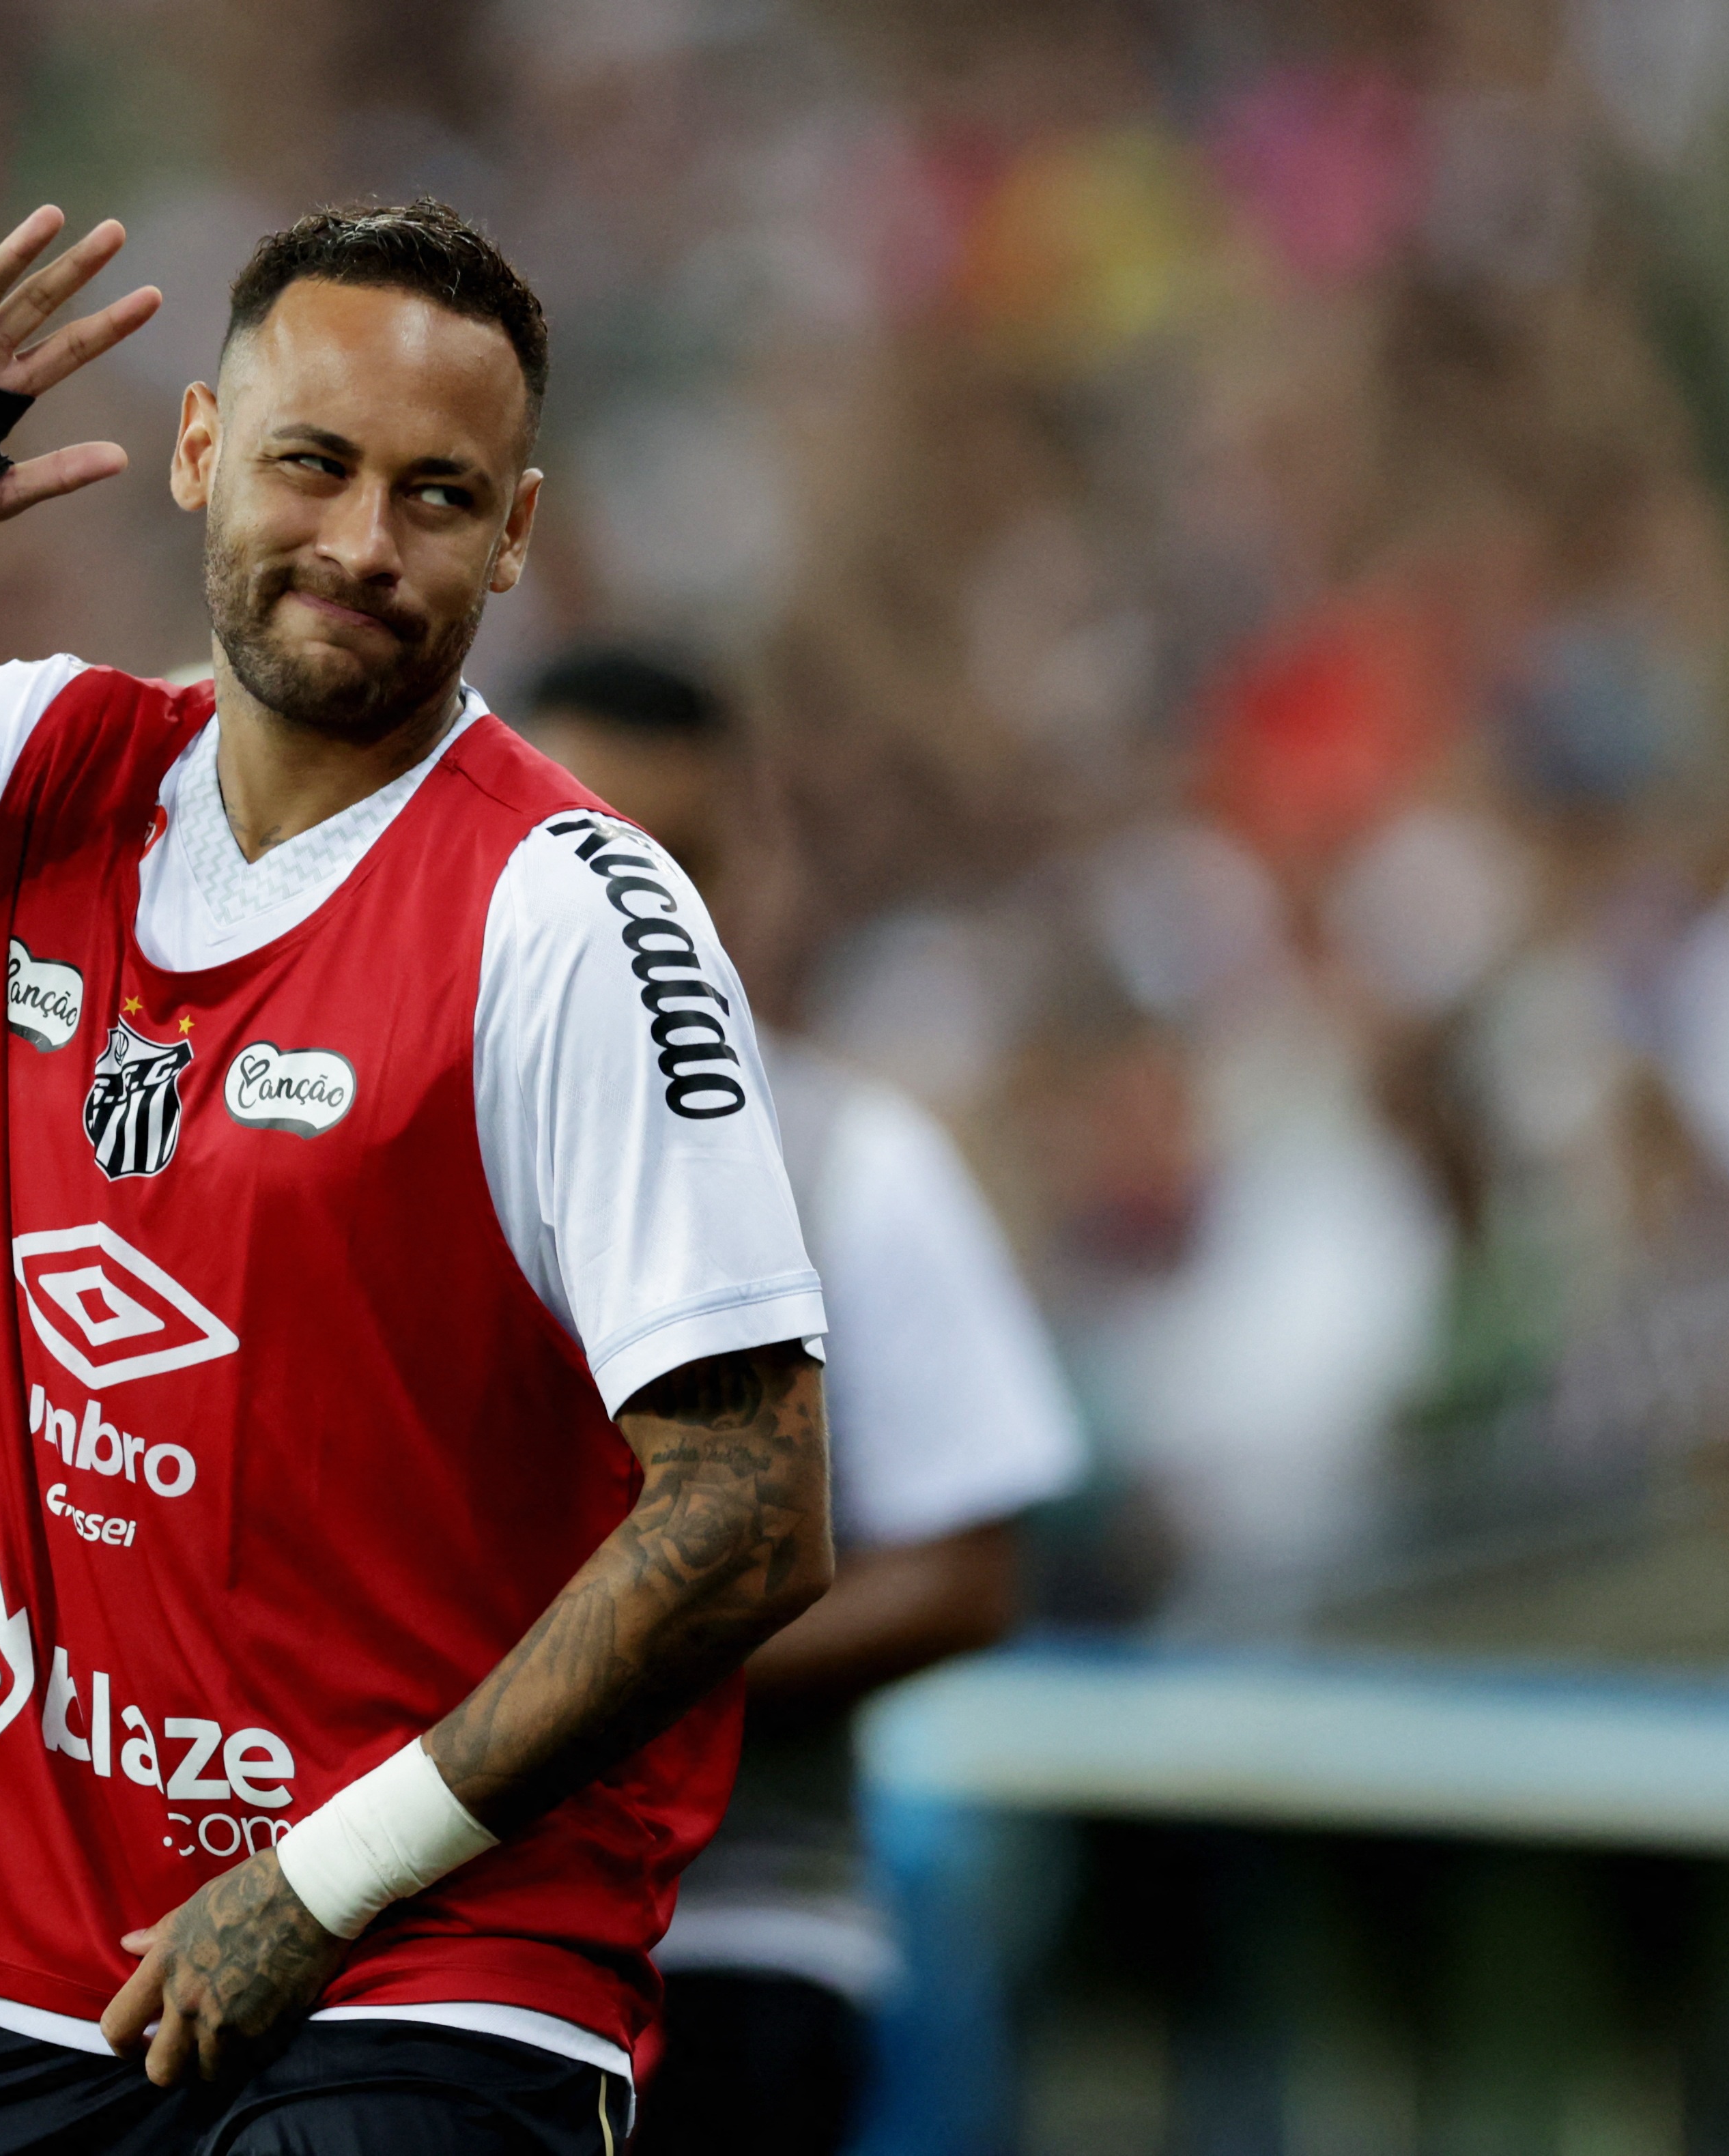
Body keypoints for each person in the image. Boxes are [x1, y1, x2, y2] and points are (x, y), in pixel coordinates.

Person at [0, 199, 835, 2153]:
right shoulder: (33, 775)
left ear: (516, 534)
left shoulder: (572, 913)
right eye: (311, 462)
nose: (362, 543)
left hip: (427, 1974)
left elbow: (754, 1511)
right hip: (42, 1963)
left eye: (437, 495)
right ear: (199, 449)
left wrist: (321, 1878)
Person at [519, 652, 1086, 2156]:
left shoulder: (852, 1159)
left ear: (758, 865)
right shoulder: (386, 1122)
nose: (637, 907)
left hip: (734, 1928)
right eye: (587, 852)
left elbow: (965, 1572)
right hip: (423, 1926)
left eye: (684, 860)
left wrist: (600, 1688)